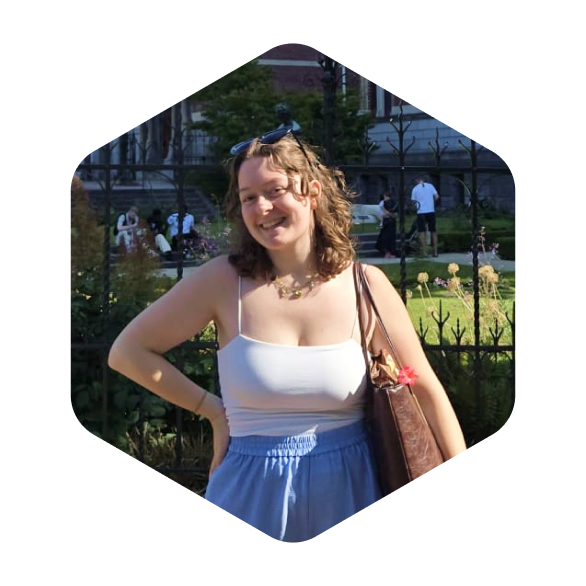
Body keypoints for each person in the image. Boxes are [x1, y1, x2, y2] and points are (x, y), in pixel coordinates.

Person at [108, 127, 467, 542]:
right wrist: (213, 411)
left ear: (312, 192)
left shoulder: (365, 286)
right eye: (248, 197)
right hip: (248, 490)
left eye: (274, 190)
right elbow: (128, 352)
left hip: (354, 488)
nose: (262, 207)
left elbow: (425, 391)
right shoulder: (222, 282)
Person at [411, 176, 439, 257]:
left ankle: (424, 252)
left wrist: (417, 206)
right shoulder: (430, 186)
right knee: (433, 231)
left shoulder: (415, 189)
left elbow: (413, 201)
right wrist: (430, 202)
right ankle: (435, 251)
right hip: (431, 210)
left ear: (416, 180)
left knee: (422, 231)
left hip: (421, 212)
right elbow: (437, 196)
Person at [375, 191, 398, 258]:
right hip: (386, 222)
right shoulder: (382, 203)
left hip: (390, 222)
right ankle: (387, 252)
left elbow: (394, 214)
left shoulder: (392, 203)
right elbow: (384, 213)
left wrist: (390, 214)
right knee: (385, 238)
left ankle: (390, 252)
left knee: (391, 238)